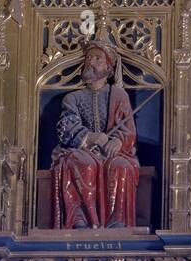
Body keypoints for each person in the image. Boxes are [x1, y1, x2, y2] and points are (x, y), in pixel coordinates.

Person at [50, 41, 140, 229]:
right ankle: (79, 218)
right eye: (89, 57)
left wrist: (117, 141)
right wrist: (90, 137)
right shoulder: (72, 98)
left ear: (108, 67)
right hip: (84, 150)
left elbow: (129, 130)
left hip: (111, 153)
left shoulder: (119, 95)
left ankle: (117, 219)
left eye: (97, 58)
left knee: (121, 166)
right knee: (81, 163)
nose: (91, 61)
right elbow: (66, 128)